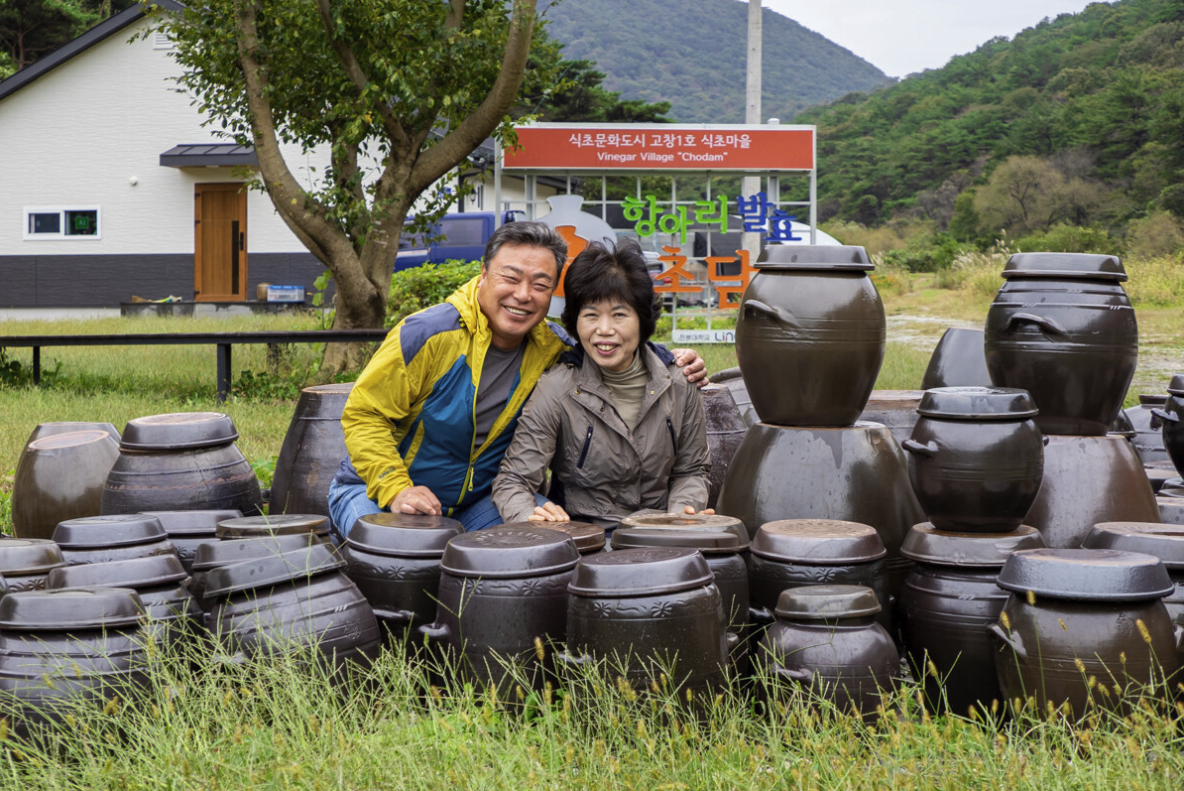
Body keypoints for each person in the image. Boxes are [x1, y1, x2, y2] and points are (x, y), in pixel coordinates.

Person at [327, 221, 707, 536]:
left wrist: (670, 361)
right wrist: (397, 489)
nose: (523, 295)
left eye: (540, 285)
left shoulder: (551, 347)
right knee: (401, 549)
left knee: (549, 539)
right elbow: (364, 415)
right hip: (377, 489)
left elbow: (610, 348)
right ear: (484, 275)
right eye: (511, 278)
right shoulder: (428, 334)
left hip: (479, 500)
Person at [492, 239, 710, 528]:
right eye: (591, 315)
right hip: (583, 536)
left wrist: (682, 514)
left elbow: (692, 470)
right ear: (575, 321)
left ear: (642, 320)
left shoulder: (679, 382)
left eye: (619, 315)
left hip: (660, 532)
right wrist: (529, 516)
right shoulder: (557, 388)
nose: (604, 330)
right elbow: (514, 480)